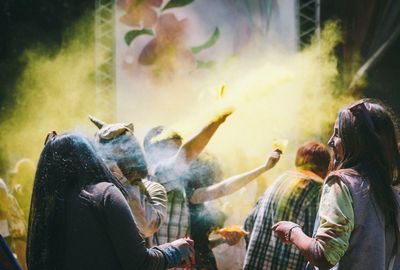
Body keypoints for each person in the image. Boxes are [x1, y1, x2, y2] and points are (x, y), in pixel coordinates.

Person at [27, 132, 194, 270]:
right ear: (89, 157)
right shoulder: (104, 194)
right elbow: (140, 263)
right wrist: (175, 251)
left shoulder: (49, 206)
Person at [273, 99, 400, 270]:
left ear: (356, 141)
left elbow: (325, 255)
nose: (330, 141)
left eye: (338, 134)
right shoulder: (393, 195)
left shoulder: (341, 184)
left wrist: (292, 231)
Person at [143, 110, 232, 246]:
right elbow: (185, 154)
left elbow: (219, 190)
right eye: (173, 150)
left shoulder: (178, 182)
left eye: (179, 148)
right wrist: (216, 120)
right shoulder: (156, 174)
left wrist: (264, 168)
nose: (178, 155)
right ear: (155, 151)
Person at [182, 150, 281, 269]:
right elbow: (224, 188)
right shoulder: (189, 195)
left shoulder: (200, 204)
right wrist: (264, 168)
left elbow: (202, 244)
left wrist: (224, 240)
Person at [244, 141, 331, 270]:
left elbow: (248, 222)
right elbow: (317, 244)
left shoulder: (279, 180)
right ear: (324, 168)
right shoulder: (317, 189)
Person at [89, 116, 167, 244]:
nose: (118, 154)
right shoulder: (91, 188)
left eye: (122, 147)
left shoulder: (153, 189)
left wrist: (122, 182)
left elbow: (146, 228)